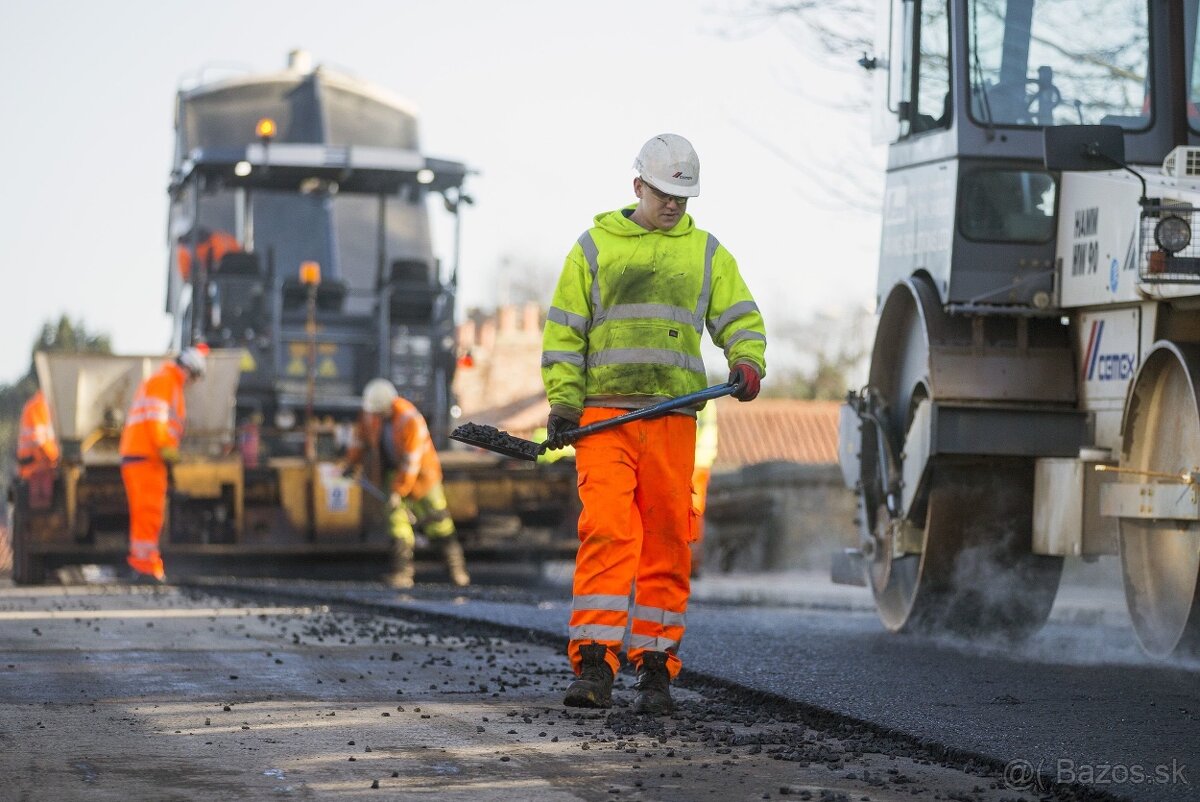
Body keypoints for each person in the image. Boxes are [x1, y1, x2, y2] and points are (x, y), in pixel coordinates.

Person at [541, 133, 766, 713]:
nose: (673, 205)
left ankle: (656, 671)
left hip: (671, 418)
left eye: (682, 198)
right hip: (604, 418)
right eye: (664, 193)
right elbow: (565, 332)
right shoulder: (594, 250)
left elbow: (739, 314)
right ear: (637, 185)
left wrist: (747, 360)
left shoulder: (706, 253)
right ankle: (594, 664)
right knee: (610, 532)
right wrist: (564, 404)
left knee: (667, 540)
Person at [344, 378, 469, 589]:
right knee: (397, 523)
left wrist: (398, 491)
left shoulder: (410, 419)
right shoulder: (371, 415)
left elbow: (412, 462)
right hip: (393, 473)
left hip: (422, 477)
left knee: (438, 522)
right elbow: (360, 440)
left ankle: (457, 573)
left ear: (389, 405)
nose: (374, 415)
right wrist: (350, 463)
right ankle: (402, 575)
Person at [118, 344, 209, 583]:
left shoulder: (166, 381)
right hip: (147, 456)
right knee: (150, 512)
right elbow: (156, 419)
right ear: (189, 369)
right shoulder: (166, 381)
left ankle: (142, 564)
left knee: (143, 514)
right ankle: (146, 567)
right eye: (195, 376)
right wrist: (167, 448)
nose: (192, 382)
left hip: (141, 456)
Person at [689, 400, 719, 577]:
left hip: (695, 459)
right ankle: (692, 562)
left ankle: (690, 562)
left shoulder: (699, 395)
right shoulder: (707, 396)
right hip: (701, 460)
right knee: (695, 512)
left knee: (693, 512)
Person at [17, 388, 59, 480]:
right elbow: (39, 439)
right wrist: (55, 457)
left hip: (37, 466)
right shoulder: (39, 406)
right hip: (36, 466)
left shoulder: (40, 405)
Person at [176, 227, 241, 282]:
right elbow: (186, 276)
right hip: (226, 261)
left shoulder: (209, 241)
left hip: (227, 261)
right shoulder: (188, 250)